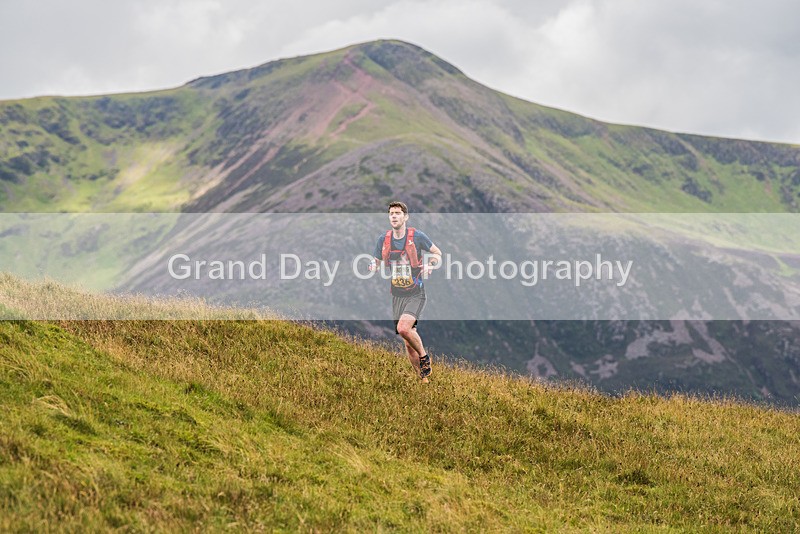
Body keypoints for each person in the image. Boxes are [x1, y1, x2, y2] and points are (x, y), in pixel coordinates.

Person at [369, 201, 442, 383]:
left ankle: (424, 357)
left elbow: (437, 253)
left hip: (415, 293)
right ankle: (424, 381)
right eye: (391, 213)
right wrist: (373, 266)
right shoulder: (383, 240)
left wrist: (430, 265)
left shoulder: (417, 236)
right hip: (397, 295)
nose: (394, 216)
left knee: (403, 329)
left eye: (398, 213)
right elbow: (376, 260)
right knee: (408, 343)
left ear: (405, 217)